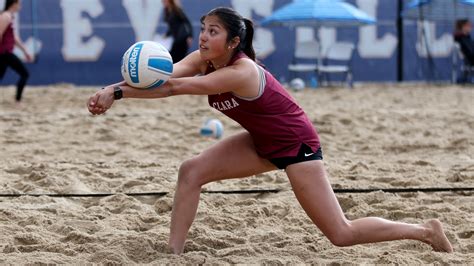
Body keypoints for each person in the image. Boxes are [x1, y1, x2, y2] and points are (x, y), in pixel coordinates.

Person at [88, 7, 454, 255]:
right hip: (261, 142)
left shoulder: (240, 71)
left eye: (212, 32)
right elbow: (165, 76)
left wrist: (115, 92)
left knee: (341, 234)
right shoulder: (206, 58)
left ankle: (424, 230)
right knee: (192, 170)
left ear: (232, 42)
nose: (202, 37)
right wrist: (113, 89)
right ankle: (174, 254)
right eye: (202, 29)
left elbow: (169, 89)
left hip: (296, 145)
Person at [0, 0, 32, 103]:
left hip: (5, 52)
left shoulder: (10, 16)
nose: (20, 6)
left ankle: (18, 99)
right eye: (19, 4)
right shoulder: (6, 16)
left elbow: (14, 38)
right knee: (24, 73)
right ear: (13, 4)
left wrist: (25, 51)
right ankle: (18, 100)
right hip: (4, 53)